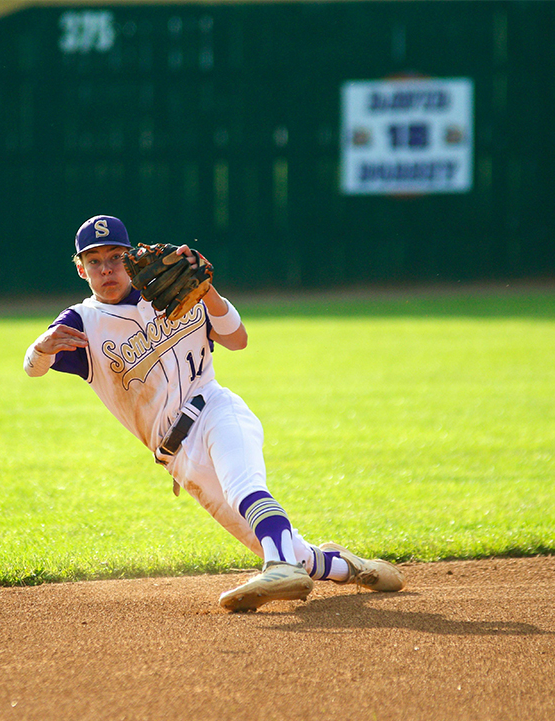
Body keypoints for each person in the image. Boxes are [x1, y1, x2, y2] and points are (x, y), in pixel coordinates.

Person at [24, 215, 405, 611]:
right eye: (95, 260)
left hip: (215, 410)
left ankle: (278, 566)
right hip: (178, 460)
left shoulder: (175, 290)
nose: (107, 269)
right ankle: (350, 567)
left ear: (132, 257)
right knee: (287, 547)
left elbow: (237, 340)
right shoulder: (81, 322)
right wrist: (43, 346)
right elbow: (32, 367)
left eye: (116, 257)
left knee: (245, 489)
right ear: (81, 268)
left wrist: (208, 292)